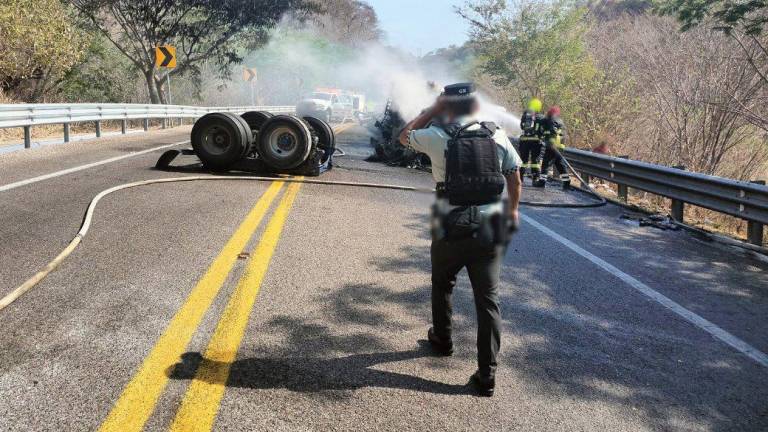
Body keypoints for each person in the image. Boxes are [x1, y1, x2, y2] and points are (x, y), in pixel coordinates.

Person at [398, 83, 522, 397]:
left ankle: (442, 340)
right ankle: (487, 376)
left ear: (448, 107)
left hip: (449, 221)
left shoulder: (436, 135)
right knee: (488, 301)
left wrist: (432, 110)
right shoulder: (495, 134)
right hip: (490, 224)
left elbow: (403, 135)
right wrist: (514, 211)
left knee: (442, 282)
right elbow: (515, 174)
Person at [518, 98, 546, 187]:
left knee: (523, 161)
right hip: (536, 142)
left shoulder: (525, 115)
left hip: (524, 141)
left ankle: (520, 179)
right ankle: (535, 179)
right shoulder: (541, 117)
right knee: (535, 161)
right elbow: (544, 130)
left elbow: (522, 127)